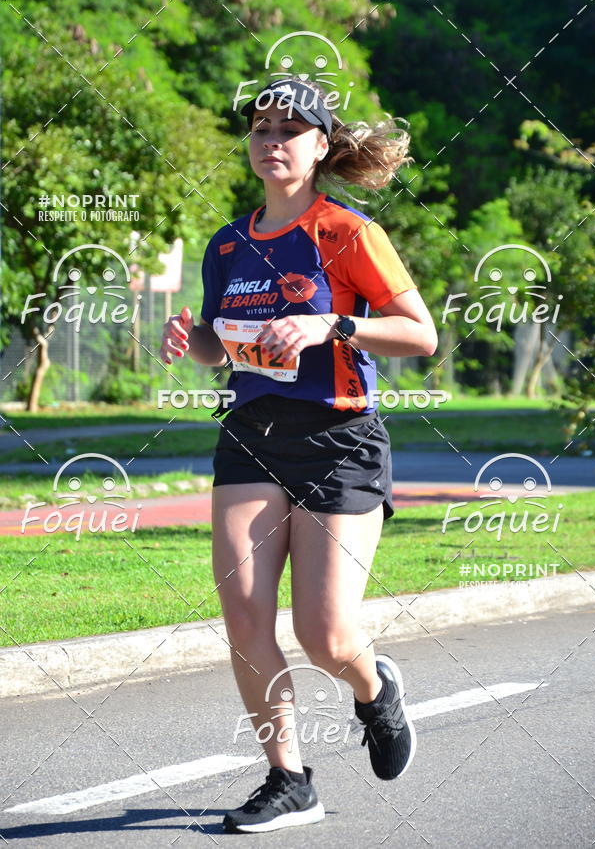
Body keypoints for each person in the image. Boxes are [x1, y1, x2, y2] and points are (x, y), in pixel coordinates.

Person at [160, 77, 437, 834]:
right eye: (260, 130)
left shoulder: (346, 232)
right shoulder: (227, 242)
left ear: (321, 147)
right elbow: (223, 347)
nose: (271, 141)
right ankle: (289, 781)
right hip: (251, 435)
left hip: (338, 437)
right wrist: (193, 344)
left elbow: (421, 335)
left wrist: (332, 327)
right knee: (245, 619)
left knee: (325, 635)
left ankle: (373, 688)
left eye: (290, 129)